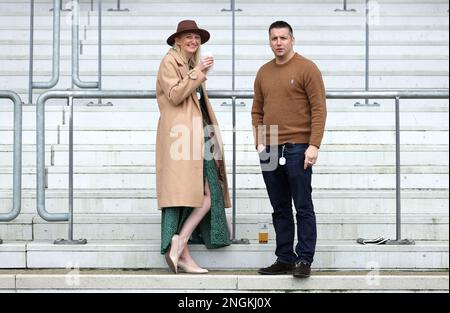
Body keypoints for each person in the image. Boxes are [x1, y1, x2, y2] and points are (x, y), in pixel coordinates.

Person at [251, 21, 327, 278]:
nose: (279, 42)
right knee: (280, 207)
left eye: (283, 37)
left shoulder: (307, 68)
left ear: (292, 39)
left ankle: (304, 259)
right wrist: (260, 142)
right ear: (269, 41)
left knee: (302, 205)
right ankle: (284, 257)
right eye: (274, 38)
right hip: (270, 145)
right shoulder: (263, 72)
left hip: (298, 145)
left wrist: (314, 144)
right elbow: (257, 110)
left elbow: (319, 109)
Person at [156, 20, 231, 274]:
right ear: (177, 40)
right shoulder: (170, 61)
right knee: (192, 194)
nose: (193, 41)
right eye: (188, 37)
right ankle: (182, 248)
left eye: (196, 38)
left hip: (197, 136)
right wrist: (199, 70)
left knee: (208, 193)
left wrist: (197, 70)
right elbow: (175, 95)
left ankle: (181, 243)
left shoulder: (188, 64)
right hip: (181, 137)